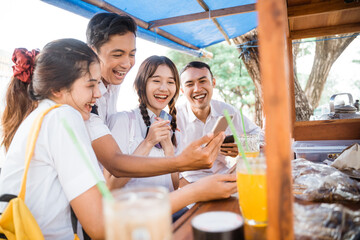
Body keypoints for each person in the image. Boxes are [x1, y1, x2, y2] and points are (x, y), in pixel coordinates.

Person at [84, 13, 225, 178]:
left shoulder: (113, 86)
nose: (127, 63)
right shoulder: (88, 98)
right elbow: (114, 166)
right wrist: (182, 161)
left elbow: (172, 185)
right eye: (117, 54)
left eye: (131, 54)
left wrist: (169, 149)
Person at [0, 39, 106, 239]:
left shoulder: (41, 116)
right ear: (57, 89)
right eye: (91, 85)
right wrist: (182, 196)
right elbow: (100, 226)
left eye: (98, 84)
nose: (98, 94)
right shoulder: (62, 116)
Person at [107, 56, 236, 215]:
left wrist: (168, 147)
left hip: (167, 212)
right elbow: (110, 186)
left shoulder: (173, 129)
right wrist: (148, 143)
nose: (164, 88)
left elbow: (174, 186)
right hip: (135, 217)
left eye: (170, 82)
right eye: (156, 81)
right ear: (141, 84)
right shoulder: (122, 121)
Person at [177, 61, 263, 183]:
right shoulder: (174, 118)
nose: (197, 89)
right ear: (182, 90)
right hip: (190, 183)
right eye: (190, 84)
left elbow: (261, 136)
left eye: (202, 81)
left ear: (213, 83)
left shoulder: (226, 111)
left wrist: (242, 145)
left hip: (224, 178)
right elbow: (166, 163)